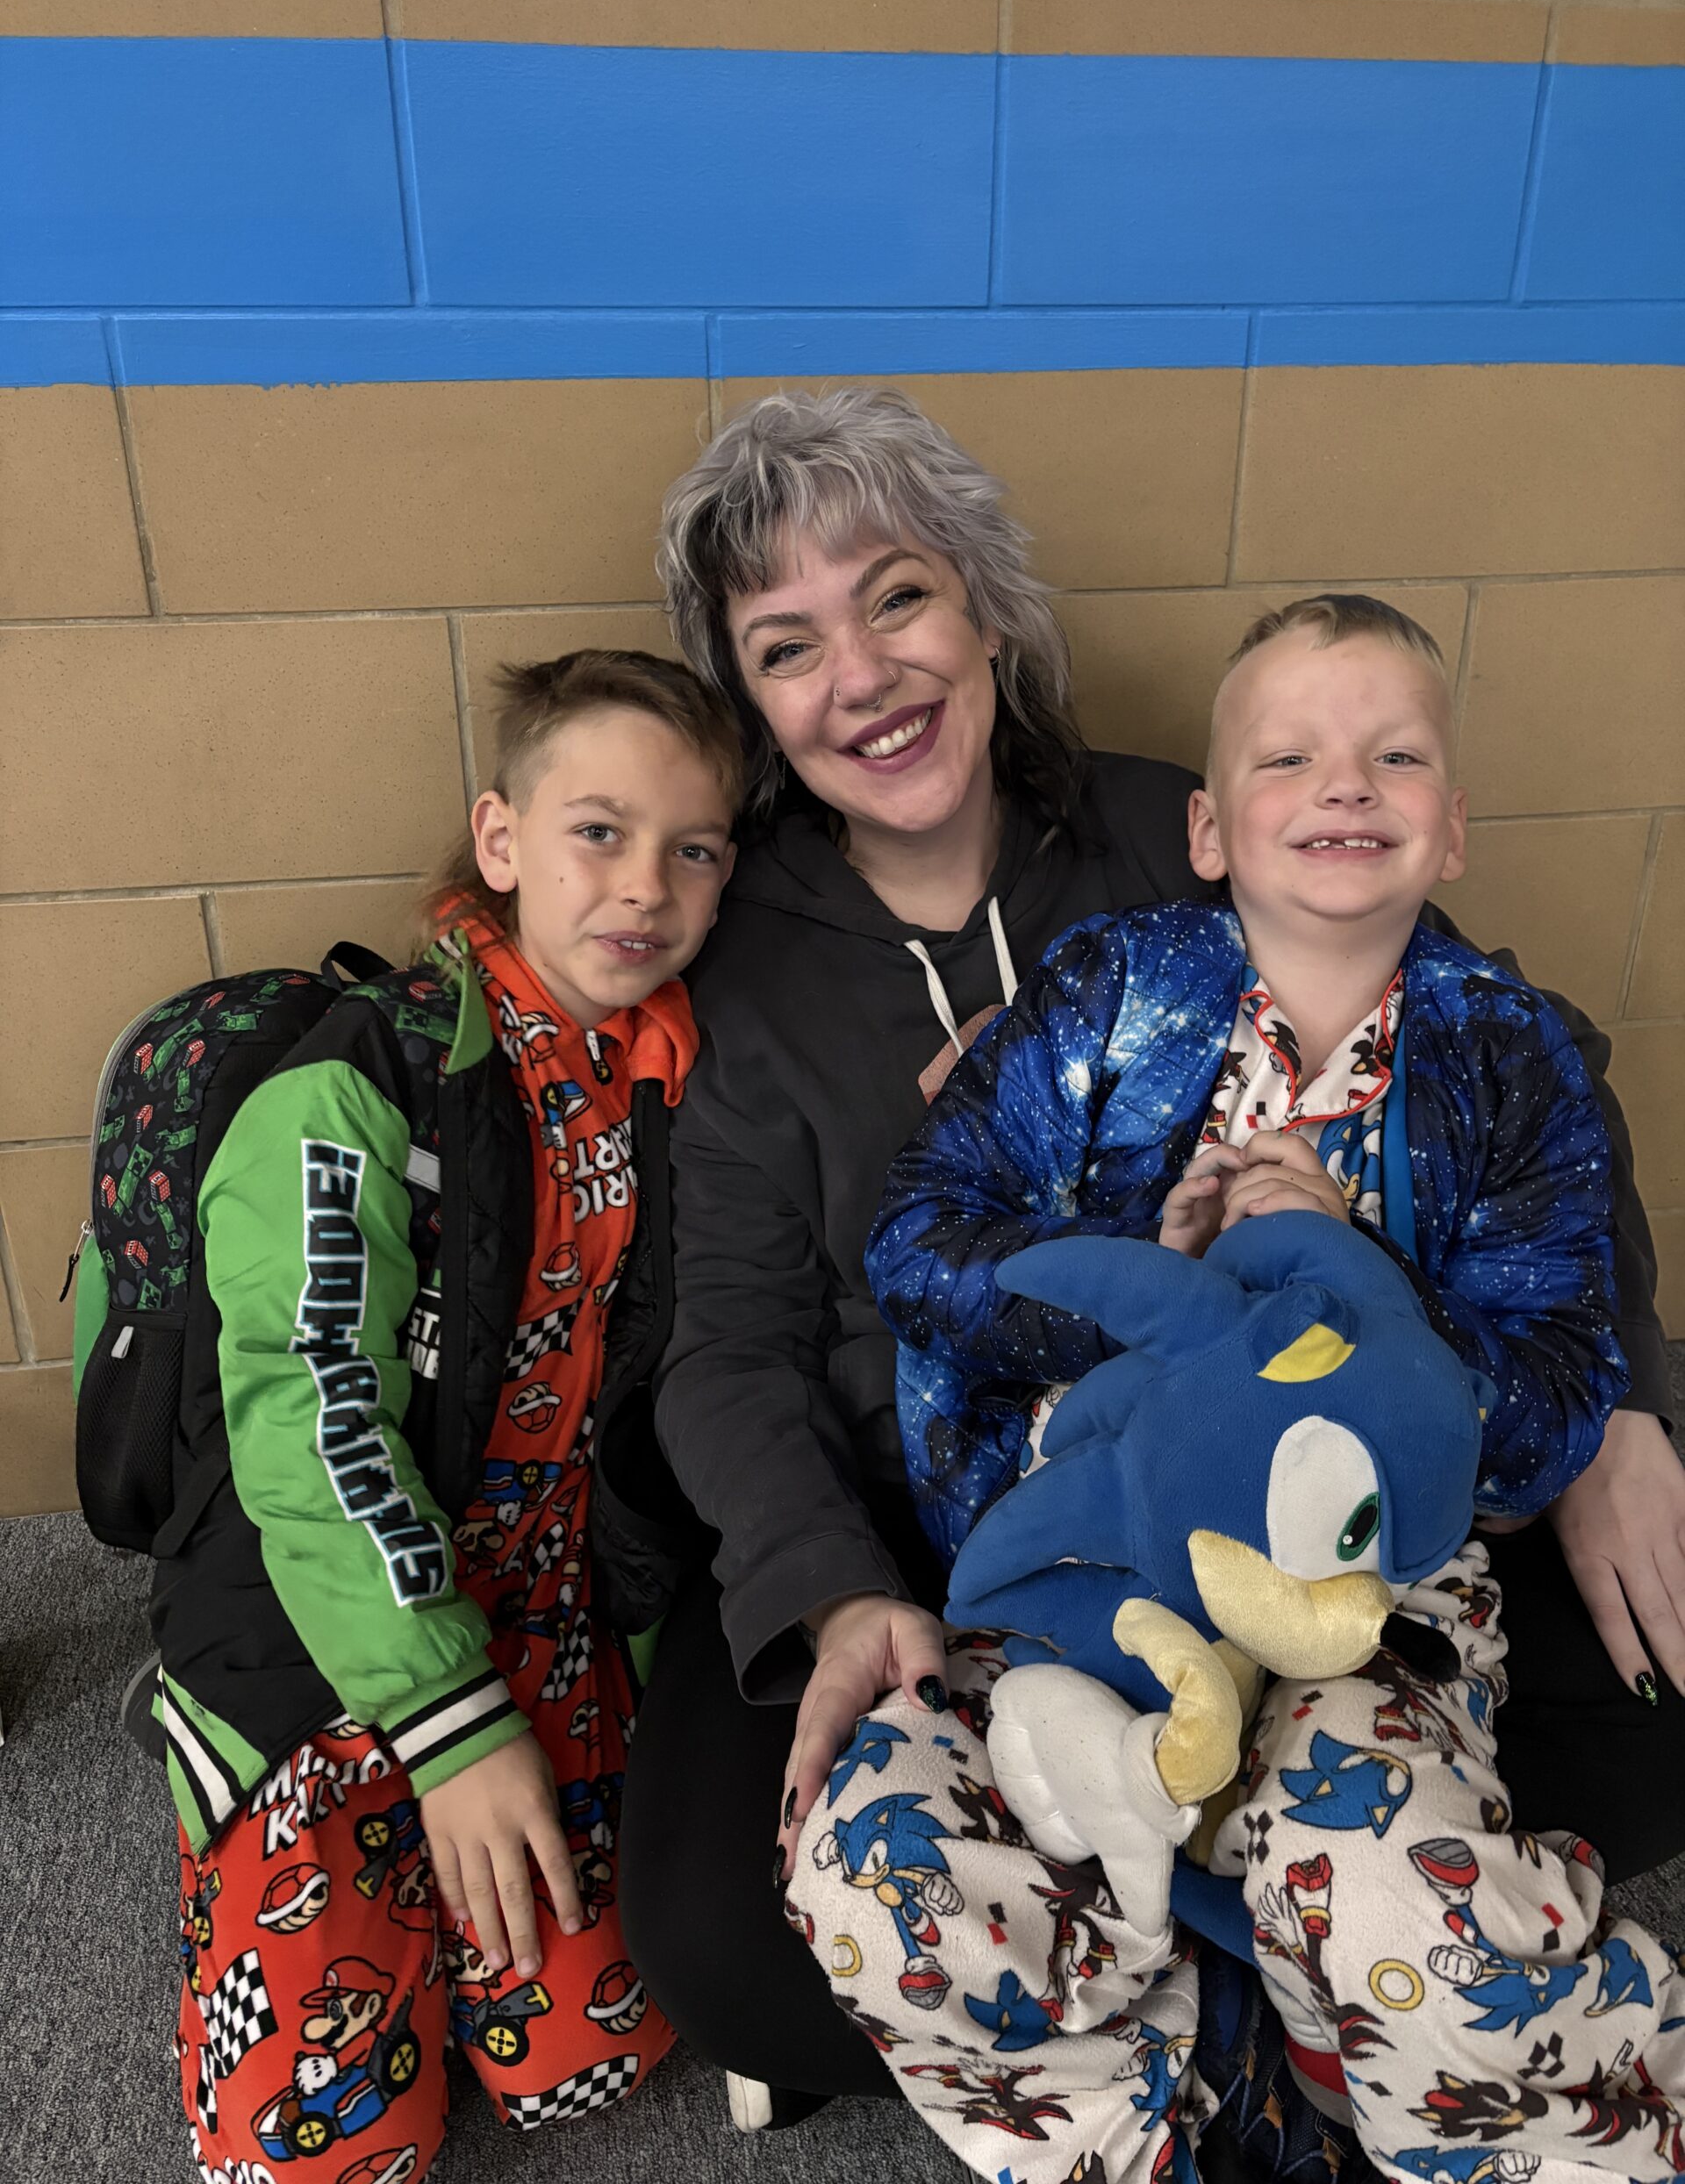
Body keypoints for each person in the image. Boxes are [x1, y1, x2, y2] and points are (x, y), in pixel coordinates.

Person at [618, 388, 1684, 2130]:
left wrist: (1623, 1402)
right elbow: (729, 1344)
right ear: (751, 702)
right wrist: (835, 1589)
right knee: (728, 1936)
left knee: (1644, 1687)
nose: (862, 674)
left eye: (899, 597)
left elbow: (1515, 1071)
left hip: (1319, 1489)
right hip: (973, 1512)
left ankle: (1301, 1950)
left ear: (984, 611)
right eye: (788, 646)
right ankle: (1260, 2016)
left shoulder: (1187, 821)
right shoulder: (742, 966)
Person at [845, 597, 1682, 2180]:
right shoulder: (1109, 987)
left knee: (1402, 1908)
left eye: (1395, 757)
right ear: (1211, 830)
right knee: (873, 1873)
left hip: (1366, 1600)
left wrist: (1360, 1282)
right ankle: (1179, 2118)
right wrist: (1139, 1287)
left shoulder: (1513, 1057)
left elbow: (1556, 1397)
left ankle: (1486, 2096)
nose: (1345, 783)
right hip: (1083, 1572)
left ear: (1452, 829)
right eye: (1290, 756)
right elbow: (917, 1238)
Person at [151, 651, 740, 2177]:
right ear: (501, 839)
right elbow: (311, 1414)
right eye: (597, 832)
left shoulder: (685, 1079)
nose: (646, 887)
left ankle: (458, 1874)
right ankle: (306, 1846)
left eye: (694, 849)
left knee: (591, 2055)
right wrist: (449, 1729)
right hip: (332, 1629)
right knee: (315, 2156)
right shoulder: (361, 1085)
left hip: (555, 1613)